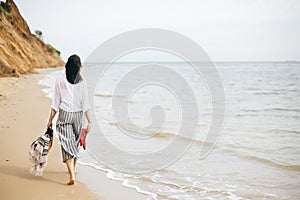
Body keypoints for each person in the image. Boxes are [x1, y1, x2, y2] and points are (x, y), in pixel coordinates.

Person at [46, 54, 91, 185]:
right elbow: (85, 103)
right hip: (78, 115)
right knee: (75, 143)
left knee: (67, 144)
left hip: (65, 114)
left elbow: (55, 102)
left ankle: (72, 175)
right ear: (79, 67)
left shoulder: (60, 79)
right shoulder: (82, 81)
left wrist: (50, 120)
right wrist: (89, 121)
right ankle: (73, 170)